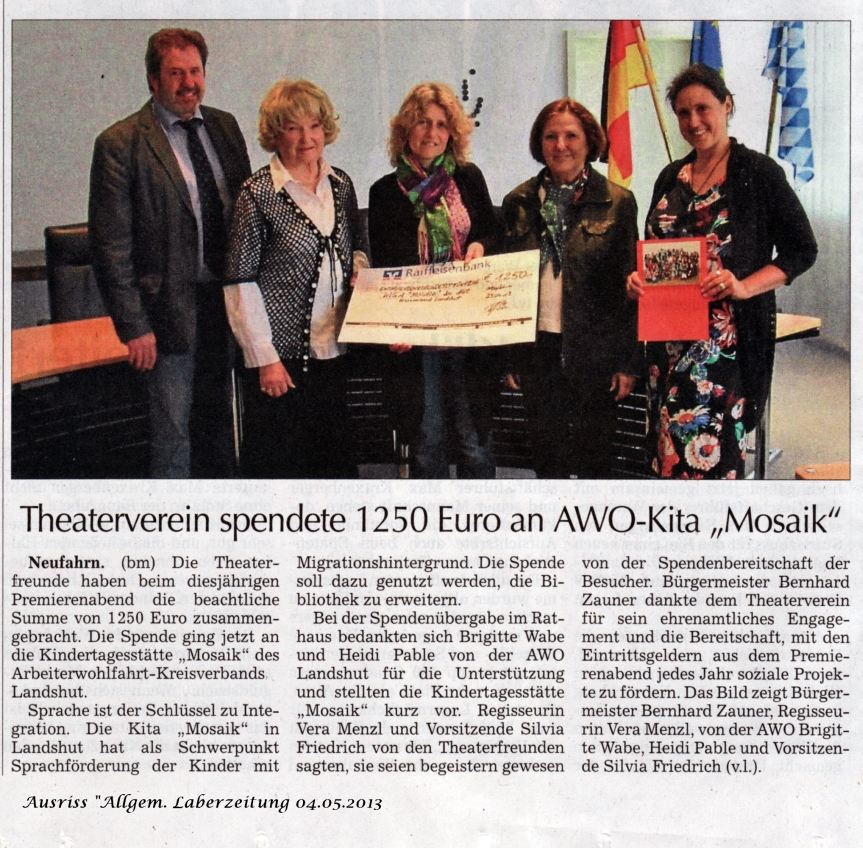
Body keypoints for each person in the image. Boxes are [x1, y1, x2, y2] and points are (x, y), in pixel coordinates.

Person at [627, 64, 818, 479]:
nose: (693, 121)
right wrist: (637, 279)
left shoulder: (758, 174)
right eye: (683, 112)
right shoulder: (670, 177)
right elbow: (653, 249)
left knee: (711, 464)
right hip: (665, 348)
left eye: (703, 108)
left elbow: (802, 250)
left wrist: (745, 286)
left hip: (724, 354)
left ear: (726, 105)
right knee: (666, 461)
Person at [89, 28, 251, 479]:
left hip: (225, 305)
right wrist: (134, 327)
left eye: (195, 71)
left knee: (221, 430)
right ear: (153, 79)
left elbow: (247, 213)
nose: (188, 83)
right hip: (165, 317)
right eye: (176, 73)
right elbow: (111, 247)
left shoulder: (224, 126)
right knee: (173, 435)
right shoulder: (120, 143)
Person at [223, 79, 368, 478]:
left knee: (335, 467)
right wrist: (265, 358)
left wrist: (358, 270)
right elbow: (240, 281)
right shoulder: (256, 194)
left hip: (334, 351)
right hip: (281, 361)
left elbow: (355, 247)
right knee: (282, 470)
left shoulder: (341, 184)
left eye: (315, 126)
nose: (307, 138)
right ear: (275, 134)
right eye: (293, 128)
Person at [501, 98, 638, 479]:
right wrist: (511, 356)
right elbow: (506, 287)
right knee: (548, 462)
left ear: (589, 140)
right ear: (539, 143)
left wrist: (627, 362)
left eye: (571, 136)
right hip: (538, 351)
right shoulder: (518, 202)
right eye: (551, 136)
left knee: (596, 462)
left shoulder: (618, 202)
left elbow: (631, 290)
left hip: (595, 352)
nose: (560, 145)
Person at [368, 82, 499, 479]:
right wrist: (395, 325)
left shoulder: (469, 178)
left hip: (468, 330)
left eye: (442, 125)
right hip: (417, 338)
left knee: (474, 440)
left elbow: (492, 232)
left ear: (453, 133)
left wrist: (479, 245)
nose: (432, 133)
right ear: (406, 128)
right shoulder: (384, 192)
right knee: (428, 441)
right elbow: (384, 268)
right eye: (423, 122)